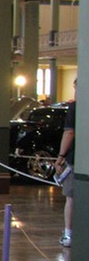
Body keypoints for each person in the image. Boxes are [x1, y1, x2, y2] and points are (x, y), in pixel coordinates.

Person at [55, 79, 76, 247]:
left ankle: (69, 234)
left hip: (76, 160)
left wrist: (61, 156)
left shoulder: (75, 107)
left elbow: (69, 133)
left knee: (71, 197)